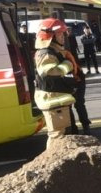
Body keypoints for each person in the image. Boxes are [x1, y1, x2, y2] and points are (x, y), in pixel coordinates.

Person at [33, 18, 78, 147]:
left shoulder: (54, 51)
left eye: (63, 34)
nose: (63, 37)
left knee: (67, 135)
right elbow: (50, 72)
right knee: (59, 137)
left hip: (59, 102)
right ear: (50, 36)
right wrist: (68, 64)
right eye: (59, 34)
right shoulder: (46, 53)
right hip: (54, 103)